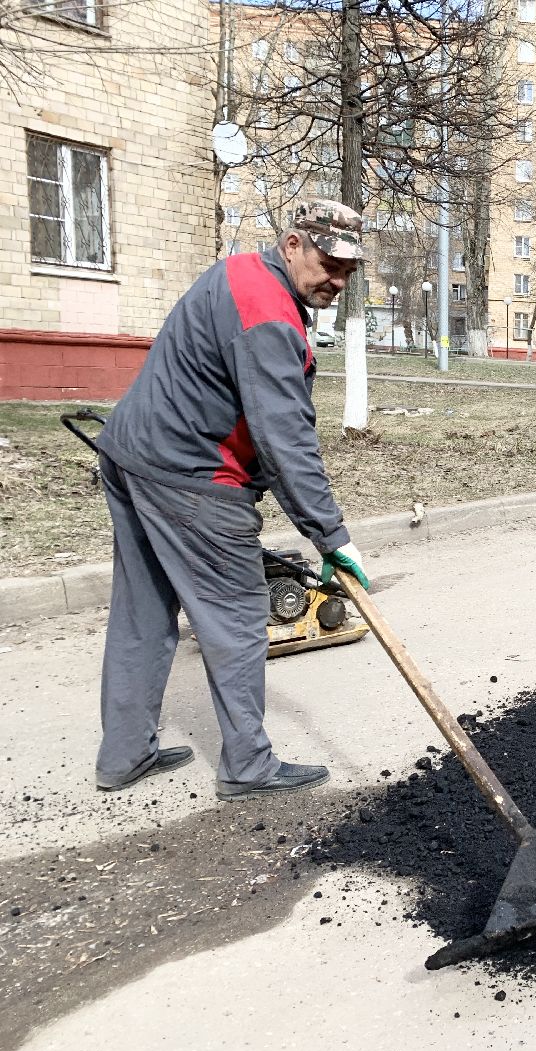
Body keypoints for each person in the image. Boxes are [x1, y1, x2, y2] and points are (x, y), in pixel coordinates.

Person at [94, 200, 371, 801]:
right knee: (239, 618)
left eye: (349, 271)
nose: (339, 281)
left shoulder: (238, 271)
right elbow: (285, 439)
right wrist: (332, 537)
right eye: (329, 264)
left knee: (142, 611)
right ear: (293, 245)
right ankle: (248, 766)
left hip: (131, 454)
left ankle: (123, 754)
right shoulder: (270, 312)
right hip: (193, 477)